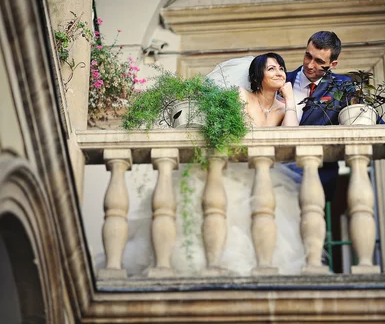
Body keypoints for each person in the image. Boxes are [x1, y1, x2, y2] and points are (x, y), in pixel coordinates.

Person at [98, 53, 307, 277]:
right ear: (259, 75)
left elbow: (291, 136)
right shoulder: (240, 95)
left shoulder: (282, 108)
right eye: (271, 69)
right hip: (231, 167)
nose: (279, 73)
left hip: (261, 175)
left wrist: (290, 99)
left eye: (281, 68)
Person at [286, 31, 352, 201]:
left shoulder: (342, 86)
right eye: (308, 56)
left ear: (333, 64)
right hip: (279, 174)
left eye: (319, 61)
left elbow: (366, 116)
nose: (309, 64)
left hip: (319, 177)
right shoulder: (283, 81)